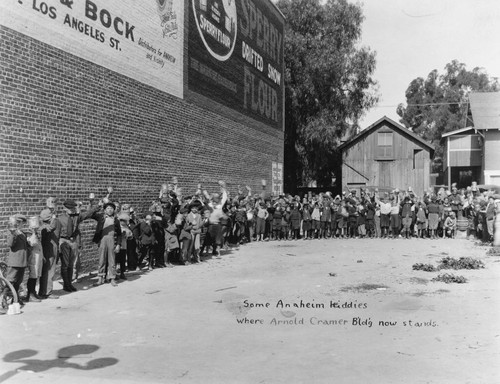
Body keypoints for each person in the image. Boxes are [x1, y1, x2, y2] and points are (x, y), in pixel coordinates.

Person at [56, 197, 99, 292]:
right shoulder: (59, 219)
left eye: (73, 208)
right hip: (64, 241)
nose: (72, 210)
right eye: (70, 208)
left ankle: (70, 283)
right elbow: (57, 233)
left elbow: (88, 214)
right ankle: (66, 284)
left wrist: (97, 206)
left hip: (73, 241)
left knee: (71, 264)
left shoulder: (76, 217)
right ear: (64, 209)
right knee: (65, 264)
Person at [92, 201, 121, 286]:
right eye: (108, 208)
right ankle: (100, 278)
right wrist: (98, 206)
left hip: (112, 240)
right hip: (102, 240)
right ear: (104, 210)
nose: (110, 210)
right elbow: (92, 214)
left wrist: (118, 244)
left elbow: (119, 234)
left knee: (112, 260)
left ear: (114, 210)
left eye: (111, 208)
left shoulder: (116, 220)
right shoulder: (101, 217)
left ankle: (112, 278)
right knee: (101, 259)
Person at [4, 215, 29, 306]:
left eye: (21, 223)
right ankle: (3, 299)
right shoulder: (12, 231)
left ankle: (15, 299)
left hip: (22, 261)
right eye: (18, 222)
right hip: (15, 261)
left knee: (18, 282)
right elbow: (10, 244)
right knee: (10, 281)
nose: (20, 224)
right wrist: (13, 233)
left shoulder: (22, 233)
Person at [38, 208, 61, 299]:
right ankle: (47, 292)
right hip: (49, 250)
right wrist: (54, 218)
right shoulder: (45, 226)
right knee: (49, 271)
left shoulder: (43, 225)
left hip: (50, 249)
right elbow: (53, 227)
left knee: (47, 271)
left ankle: (43, 291)